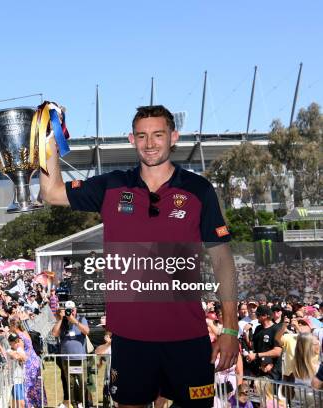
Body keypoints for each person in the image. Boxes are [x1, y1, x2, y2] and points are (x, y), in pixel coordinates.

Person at [39, 104, 239, 408]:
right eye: (142, 136)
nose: (150, 143)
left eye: (158, 135)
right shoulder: (112, 185)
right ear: (132, 139)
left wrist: (230, 328)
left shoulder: (199, 190)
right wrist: (48, 139)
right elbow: (51, 193)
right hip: (131, 340)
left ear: (174, 137)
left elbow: (223, 262)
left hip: (187, 337)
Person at [51, 301, 90, 408]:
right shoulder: (62, 322)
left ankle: (82, 403)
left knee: (83, 382)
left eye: (72, 310)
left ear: (75, 309)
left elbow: (87, 331)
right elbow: (54, 333)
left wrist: (75, 321)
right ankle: (73, 404)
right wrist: (60, 319)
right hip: (66, 359)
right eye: (68, 310)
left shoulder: (81, 319)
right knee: (70, 384)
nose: (70, 312)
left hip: (80, 358)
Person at [9, 317, 45, 408]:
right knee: (36, 384)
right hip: (35, 360)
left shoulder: (19, 337)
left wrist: (11, 352)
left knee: (29, 386)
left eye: (10, 325)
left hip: (28, 363)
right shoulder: (25, 333)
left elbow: (20, 351)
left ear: (13, 326)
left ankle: (31, 405)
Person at [246, 306, 282, 380]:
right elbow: (252, 346)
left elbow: (277, 352)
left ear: (265, 316)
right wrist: (246, 333)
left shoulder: (277, 330)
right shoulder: (258, 328)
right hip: (258, 369)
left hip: (272, 371)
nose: (256, 317)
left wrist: (257, 355)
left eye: (258, 315)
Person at [7, 333, 26, 408]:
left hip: (21, 379)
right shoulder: (8, 350)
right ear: (10, 343)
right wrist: (18, 354)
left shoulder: (19, 349)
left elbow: (24, 358)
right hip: (14, 380)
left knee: (15, 403)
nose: (16, 343)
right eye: (14, 342)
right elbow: (17, 357)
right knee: (21, 403)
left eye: (17, 341)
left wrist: (18, 354)